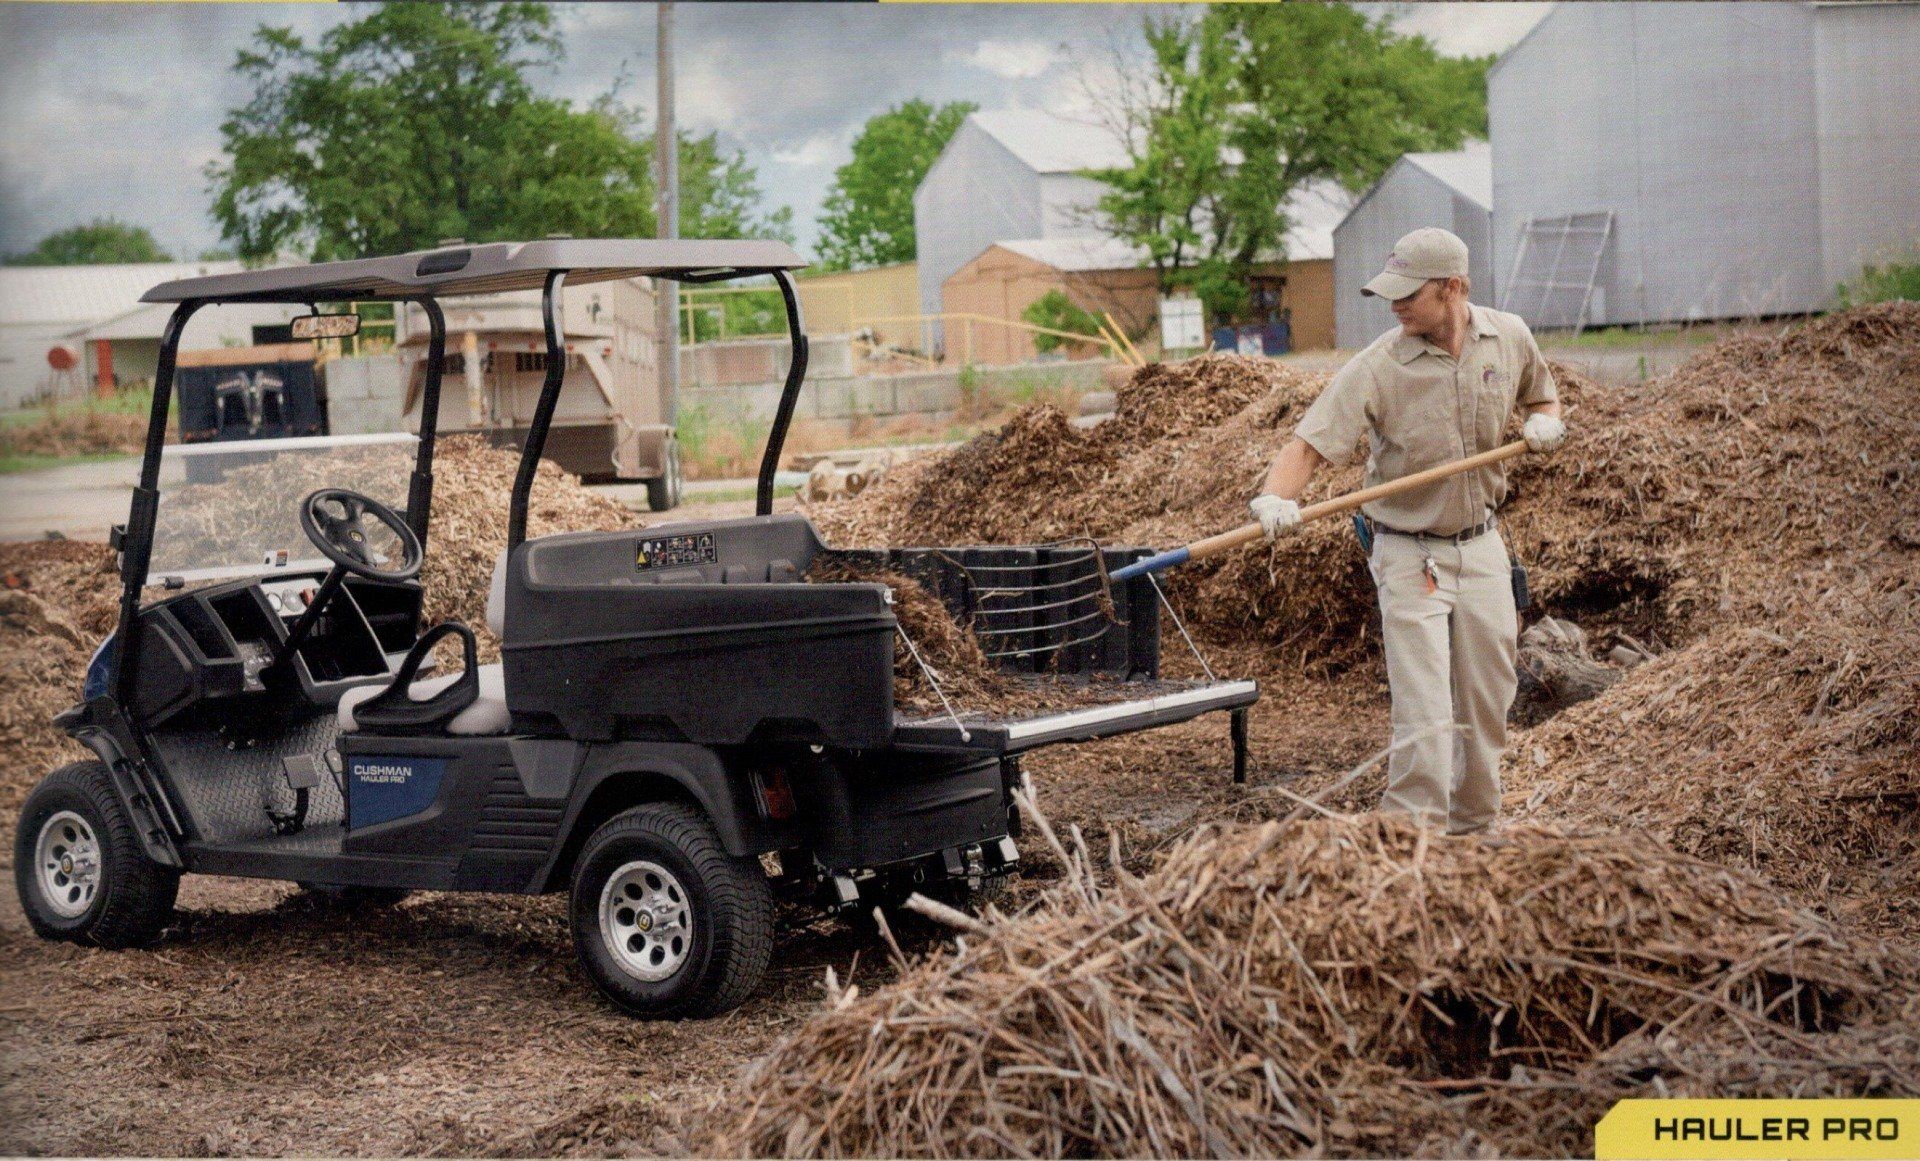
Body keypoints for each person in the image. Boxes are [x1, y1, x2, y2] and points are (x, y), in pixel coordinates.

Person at [1249, 227, 1564, 834]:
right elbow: (1309, 446)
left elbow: (1541, 398)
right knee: (1423, 714)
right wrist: (1273, 500)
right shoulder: (1380, 366)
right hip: (1408, 554)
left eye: (1407, 293)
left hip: (1482, 547)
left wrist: (1545, 424)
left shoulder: (1510, 339)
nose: (1394, 304)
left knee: (1487, 701)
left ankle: (1474, 832)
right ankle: (1409, 843)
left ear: (1453, 288)